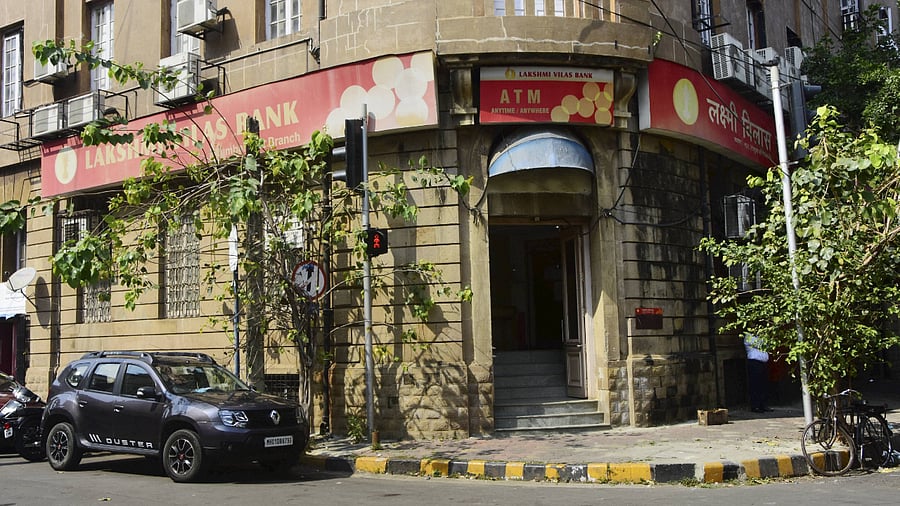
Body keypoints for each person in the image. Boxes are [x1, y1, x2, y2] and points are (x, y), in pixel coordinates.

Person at [744, 333, 772, 413]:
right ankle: (755, 406)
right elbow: (760, 344)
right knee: (755, 385)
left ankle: (763, 405)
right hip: (754, 362)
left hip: (763, 363)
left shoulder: (762, 336)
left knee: (764, 384)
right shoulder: (749, 336)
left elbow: (768, 344)